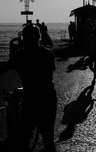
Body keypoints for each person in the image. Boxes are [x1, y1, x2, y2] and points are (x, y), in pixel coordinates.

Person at [0, 24, 57, 152]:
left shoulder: (19, 55)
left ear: (23, 38)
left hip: (30, 100)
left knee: (25, 137)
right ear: (39, 37)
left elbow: (4, 68)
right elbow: (47, 80)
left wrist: (22, 91)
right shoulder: (47, 54)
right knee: (48, 138)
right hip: (47, 99)